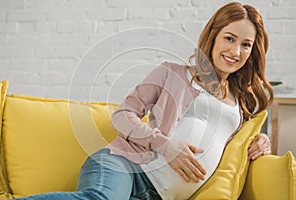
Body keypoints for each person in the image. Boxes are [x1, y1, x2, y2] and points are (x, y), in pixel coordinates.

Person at [17, 2, 273, 200]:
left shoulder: (242, 104)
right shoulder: (173, 73)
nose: (235, 51)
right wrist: (166, 146)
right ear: (214, 37)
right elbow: (122, 116)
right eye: (229, 38)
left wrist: (262, 140)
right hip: (125, 166)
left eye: (246, 44)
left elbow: (239, 141)